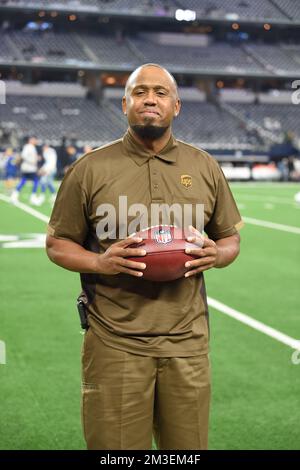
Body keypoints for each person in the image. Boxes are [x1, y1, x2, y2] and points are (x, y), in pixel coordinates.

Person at [46, 64, 243, 450]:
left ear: (177, 106)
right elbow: (57, 244)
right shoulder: (89, 169)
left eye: (160, 92)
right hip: (114, 341)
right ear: (124, 104)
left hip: (187, 342)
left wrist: (216, 255)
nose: (150, 99)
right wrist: (100, 262)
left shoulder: (204, 166)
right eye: (139, 92)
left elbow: (229, 240)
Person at [10, 136, 41, 205]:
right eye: (34, 140)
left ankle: (14, 196)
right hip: (29, 168)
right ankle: (33, 197)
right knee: (36, 181)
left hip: (28, 168)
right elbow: (24, 156)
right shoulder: (28, 146)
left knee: (23, 181)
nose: (35, 141)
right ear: (31, 140)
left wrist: (35, 159)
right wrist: (32, 161)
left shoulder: (31, 147)